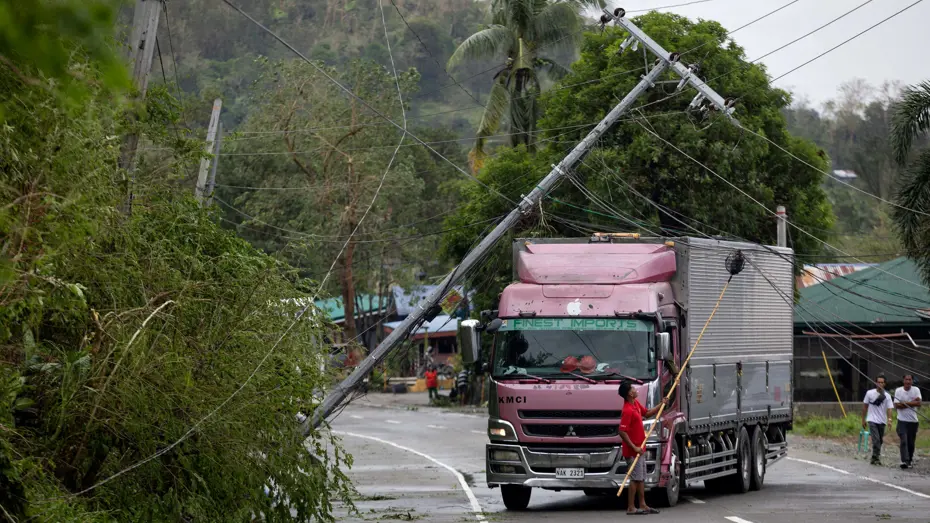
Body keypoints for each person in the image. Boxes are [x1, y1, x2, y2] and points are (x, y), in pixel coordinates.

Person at [618, 381, 668, 515]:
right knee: (635, 478)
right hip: (633, 451)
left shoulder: (636, 404)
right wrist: (634, 447)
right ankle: (631, 507)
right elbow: (622, 432)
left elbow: (647, 413)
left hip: (641, 449)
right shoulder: (627, 410)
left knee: (641, 477)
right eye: (633, 388)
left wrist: (661, 404)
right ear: (629, 393)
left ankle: (643, 504)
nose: (635, 389)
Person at [861, 375, 895, 466]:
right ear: (876, 383)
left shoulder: (887, 396)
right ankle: (875, 458)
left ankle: (875, 457)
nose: (880, 384)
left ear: (884, 384)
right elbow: (865, 407)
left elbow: (889, 409)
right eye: (878, 382)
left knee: (880, 440)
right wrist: (863, 420)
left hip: (882, 421)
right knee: (876, 440)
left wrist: (890, 419)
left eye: (882, 382)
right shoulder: (869, 393)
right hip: (872, 420)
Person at [893, 374, 922, 469]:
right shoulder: (898, 390)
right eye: (906, 379)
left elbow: (918, 403)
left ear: (912, 381)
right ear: (903, 380)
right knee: (904, 440)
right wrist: (912, 402)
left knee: (911, 443)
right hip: (902, 420)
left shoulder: (916, 390)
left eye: (910, 380)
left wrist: (904, 403)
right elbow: (897, 405)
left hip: (913, 421)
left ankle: (909, 460)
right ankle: (904, 461)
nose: (908, 382)